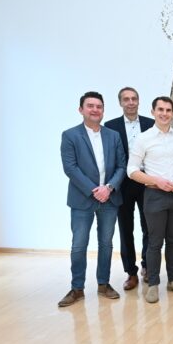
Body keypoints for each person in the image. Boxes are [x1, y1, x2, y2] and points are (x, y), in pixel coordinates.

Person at [58, 91, 125, 307]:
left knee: (106, 244)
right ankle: (77, 288)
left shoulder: (113, 136)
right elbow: (70, 168)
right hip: (82, 200)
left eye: (99, 106)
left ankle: (103, 284)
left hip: (109, 199)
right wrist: (94, 190)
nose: (95, 109)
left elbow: (122, 166)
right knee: (79, 245)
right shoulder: (70, 135)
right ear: (81, 110)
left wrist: (109, 188)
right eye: (90, 106)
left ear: (103, 110)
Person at [127, 96, 173, 304]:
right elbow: (132, 170)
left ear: (172, 113)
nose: (164, 113)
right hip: (154, 195)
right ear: (153, 111)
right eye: (160, 109)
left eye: (168, 110)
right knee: (155, 242)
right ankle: (153, 284)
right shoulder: (143, 139)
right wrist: (155, 180)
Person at [104, 87, 154, 290]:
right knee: (125, 229)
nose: (131, 102)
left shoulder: (151, 124)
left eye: (134, 99)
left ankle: (148, 267)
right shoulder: (111, 126)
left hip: (146, 181)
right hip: (122, 184)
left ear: (139, 101)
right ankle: (130, 273)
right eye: (126, 99)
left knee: (149, 227)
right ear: (121, 103)